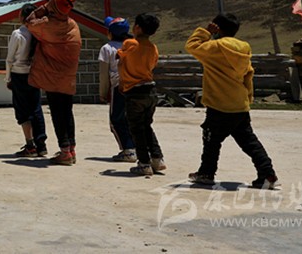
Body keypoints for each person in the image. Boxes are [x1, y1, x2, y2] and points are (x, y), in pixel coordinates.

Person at [184, 13, 278, 189]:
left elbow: (192, 46)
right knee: (249, 142)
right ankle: (268, 174)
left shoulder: (215, 47)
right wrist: (248, 98)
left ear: (217, 28)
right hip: (239, 104)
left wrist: (205, 32)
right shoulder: (244, 48)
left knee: (211, 141)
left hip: (219, 104)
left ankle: (206, 173)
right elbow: (248, 75)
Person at [26, 0, 82, 166]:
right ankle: (71, 149)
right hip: (68, 77)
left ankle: (64, 152)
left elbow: (29, 22)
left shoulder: (47, 25)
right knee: (67, 112)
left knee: (57, 113)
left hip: (53, 76)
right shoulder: (72, 24)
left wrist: (43, 9)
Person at [117, 13, 166, 176]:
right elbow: (152, 65)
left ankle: (144, 163)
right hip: (150, 90)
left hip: (134, 91)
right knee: (146, 126)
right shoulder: (153, 47)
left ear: (137, 27)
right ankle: (157, 158)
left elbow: (120, 56)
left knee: (136, 129)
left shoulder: (130, 43)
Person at [5, 3, 48, 157]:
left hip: (19, 74)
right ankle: (41, 144)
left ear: (23, 16)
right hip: (34, 74)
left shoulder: (18, 34)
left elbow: (10, 59)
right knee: (36, 108)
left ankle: (30, 145)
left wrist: (8, 77)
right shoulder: (39, 34)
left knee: (22, 110)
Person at [98, 16, 136, 162]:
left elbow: (103, 74)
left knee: (116, 119)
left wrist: (103, 92)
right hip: (134, 86)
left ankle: (128, 150)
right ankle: (137, 147)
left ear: (110, 33)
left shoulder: (107, 49)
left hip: (118, 87)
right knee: (131, 118)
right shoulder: (133, 45)